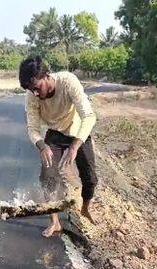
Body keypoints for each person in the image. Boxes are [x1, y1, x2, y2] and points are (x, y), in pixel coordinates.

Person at [19, 56, 98, 237]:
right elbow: (32, 128)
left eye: (37, 88)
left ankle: (85, 208)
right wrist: (41, 145)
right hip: (55, 134)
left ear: (46, 76)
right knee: (48, 177)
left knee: (90, 178)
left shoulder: (68, 81)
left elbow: (89, 116)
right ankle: (55, 222)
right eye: (32, 90)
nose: (36, 94)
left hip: (78, 132)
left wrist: (75, 146)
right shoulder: (31, 95)